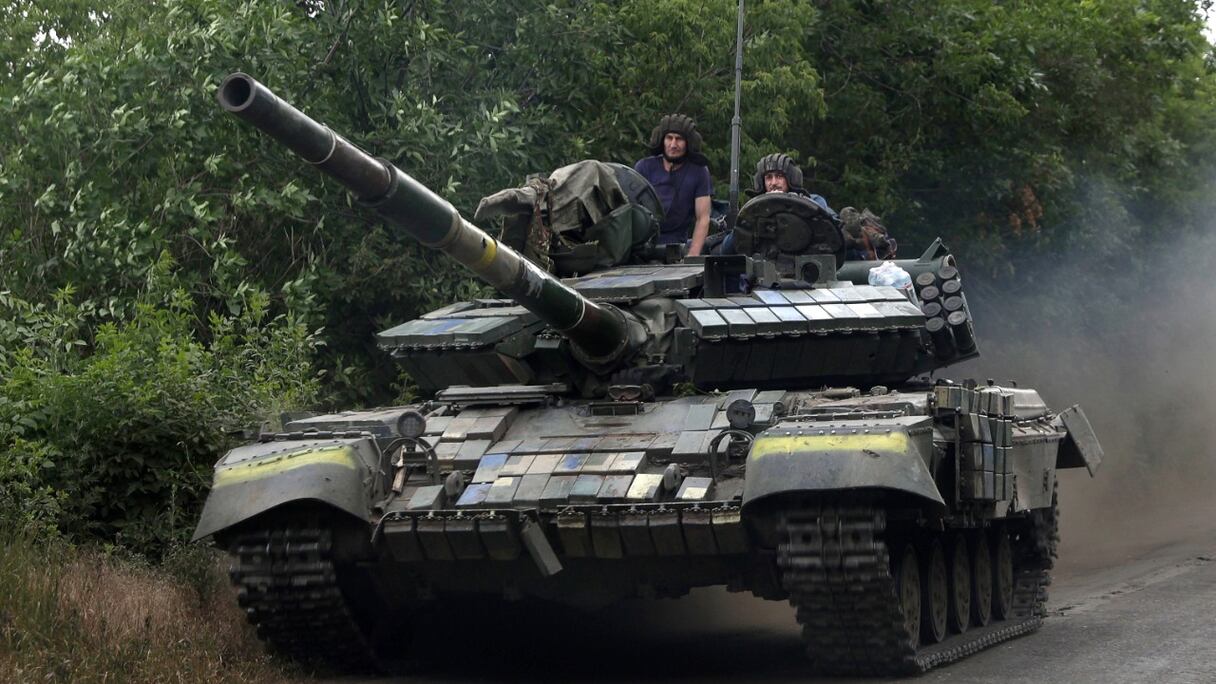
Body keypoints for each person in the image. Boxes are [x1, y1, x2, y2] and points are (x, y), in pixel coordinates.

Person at [633, 114, 713, 256]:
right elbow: (630, 209)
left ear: (688, 142)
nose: (673, 145)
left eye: (679, 139)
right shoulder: (644, 167)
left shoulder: (699, 172)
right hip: (641, 246)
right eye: (669, 138)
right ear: (662, 140)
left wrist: (692, 255)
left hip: (676, 248)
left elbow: (703, 218)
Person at [752, 153, 837, 220]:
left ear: (791, 178)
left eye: (779, 176)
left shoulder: (814, 201)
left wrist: (795, 203)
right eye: (769, 178)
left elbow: (830, 226)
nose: (774, 183)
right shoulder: (754, 209)